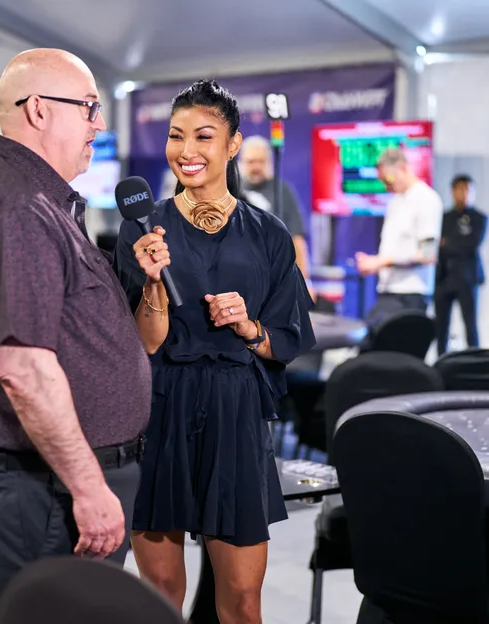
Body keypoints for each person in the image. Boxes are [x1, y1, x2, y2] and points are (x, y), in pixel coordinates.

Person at [0, 49, 150, 590]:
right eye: (88, 107)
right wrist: (88, 488)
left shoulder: (32, 200)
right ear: (38, 110)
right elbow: (24, 369)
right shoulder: (17, 207)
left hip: (45, 491)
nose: (98, 123)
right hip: (41, 497)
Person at [114, 79, 316, 623]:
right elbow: (144, 344)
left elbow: (285, 343)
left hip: (237, 412)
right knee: (158, 593)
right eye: (176, 136)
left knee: (244, 600)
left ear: (232, 145)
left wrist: (249, 326)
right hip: (159, 412)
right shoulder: (142, 229)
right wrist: (153, 284)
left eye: (204, 136)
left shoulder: (270, 234)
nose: (187, 151)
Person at [355, 148, 443, 328]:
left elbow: (427, 255)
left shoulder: (426, 199)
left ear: (402, 168)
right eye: (383, 182)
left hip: (410, 295)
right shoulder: (395, 202)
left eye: (389, 179)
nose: (386, 186)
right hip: (388, 292)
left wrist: (381, 262)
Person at [239, 135, 311, 290]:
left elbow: (296, 239)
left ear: (270, 163)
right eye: (251, 161)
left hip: (275, 281)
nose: (256, 167)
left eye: (261, 161)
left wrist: (305, 282)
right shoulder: (230, 190)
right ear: (241, 163)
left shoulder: (283, 192)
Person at [434, 174, 487, 355]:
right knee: (441, 326)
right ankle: (440, 363)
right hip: (444, 277)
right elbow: (437, 246)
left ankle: (475, 363)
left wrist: (448, 243)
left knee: (470, 325)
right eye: (460, 189)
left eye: (468, 190)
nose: (464, 194)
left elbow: (471, 244)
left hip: (467, 278)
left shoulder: (479, 218)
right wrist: (452, 244)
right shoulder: (444, 217)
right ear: (452, 191)